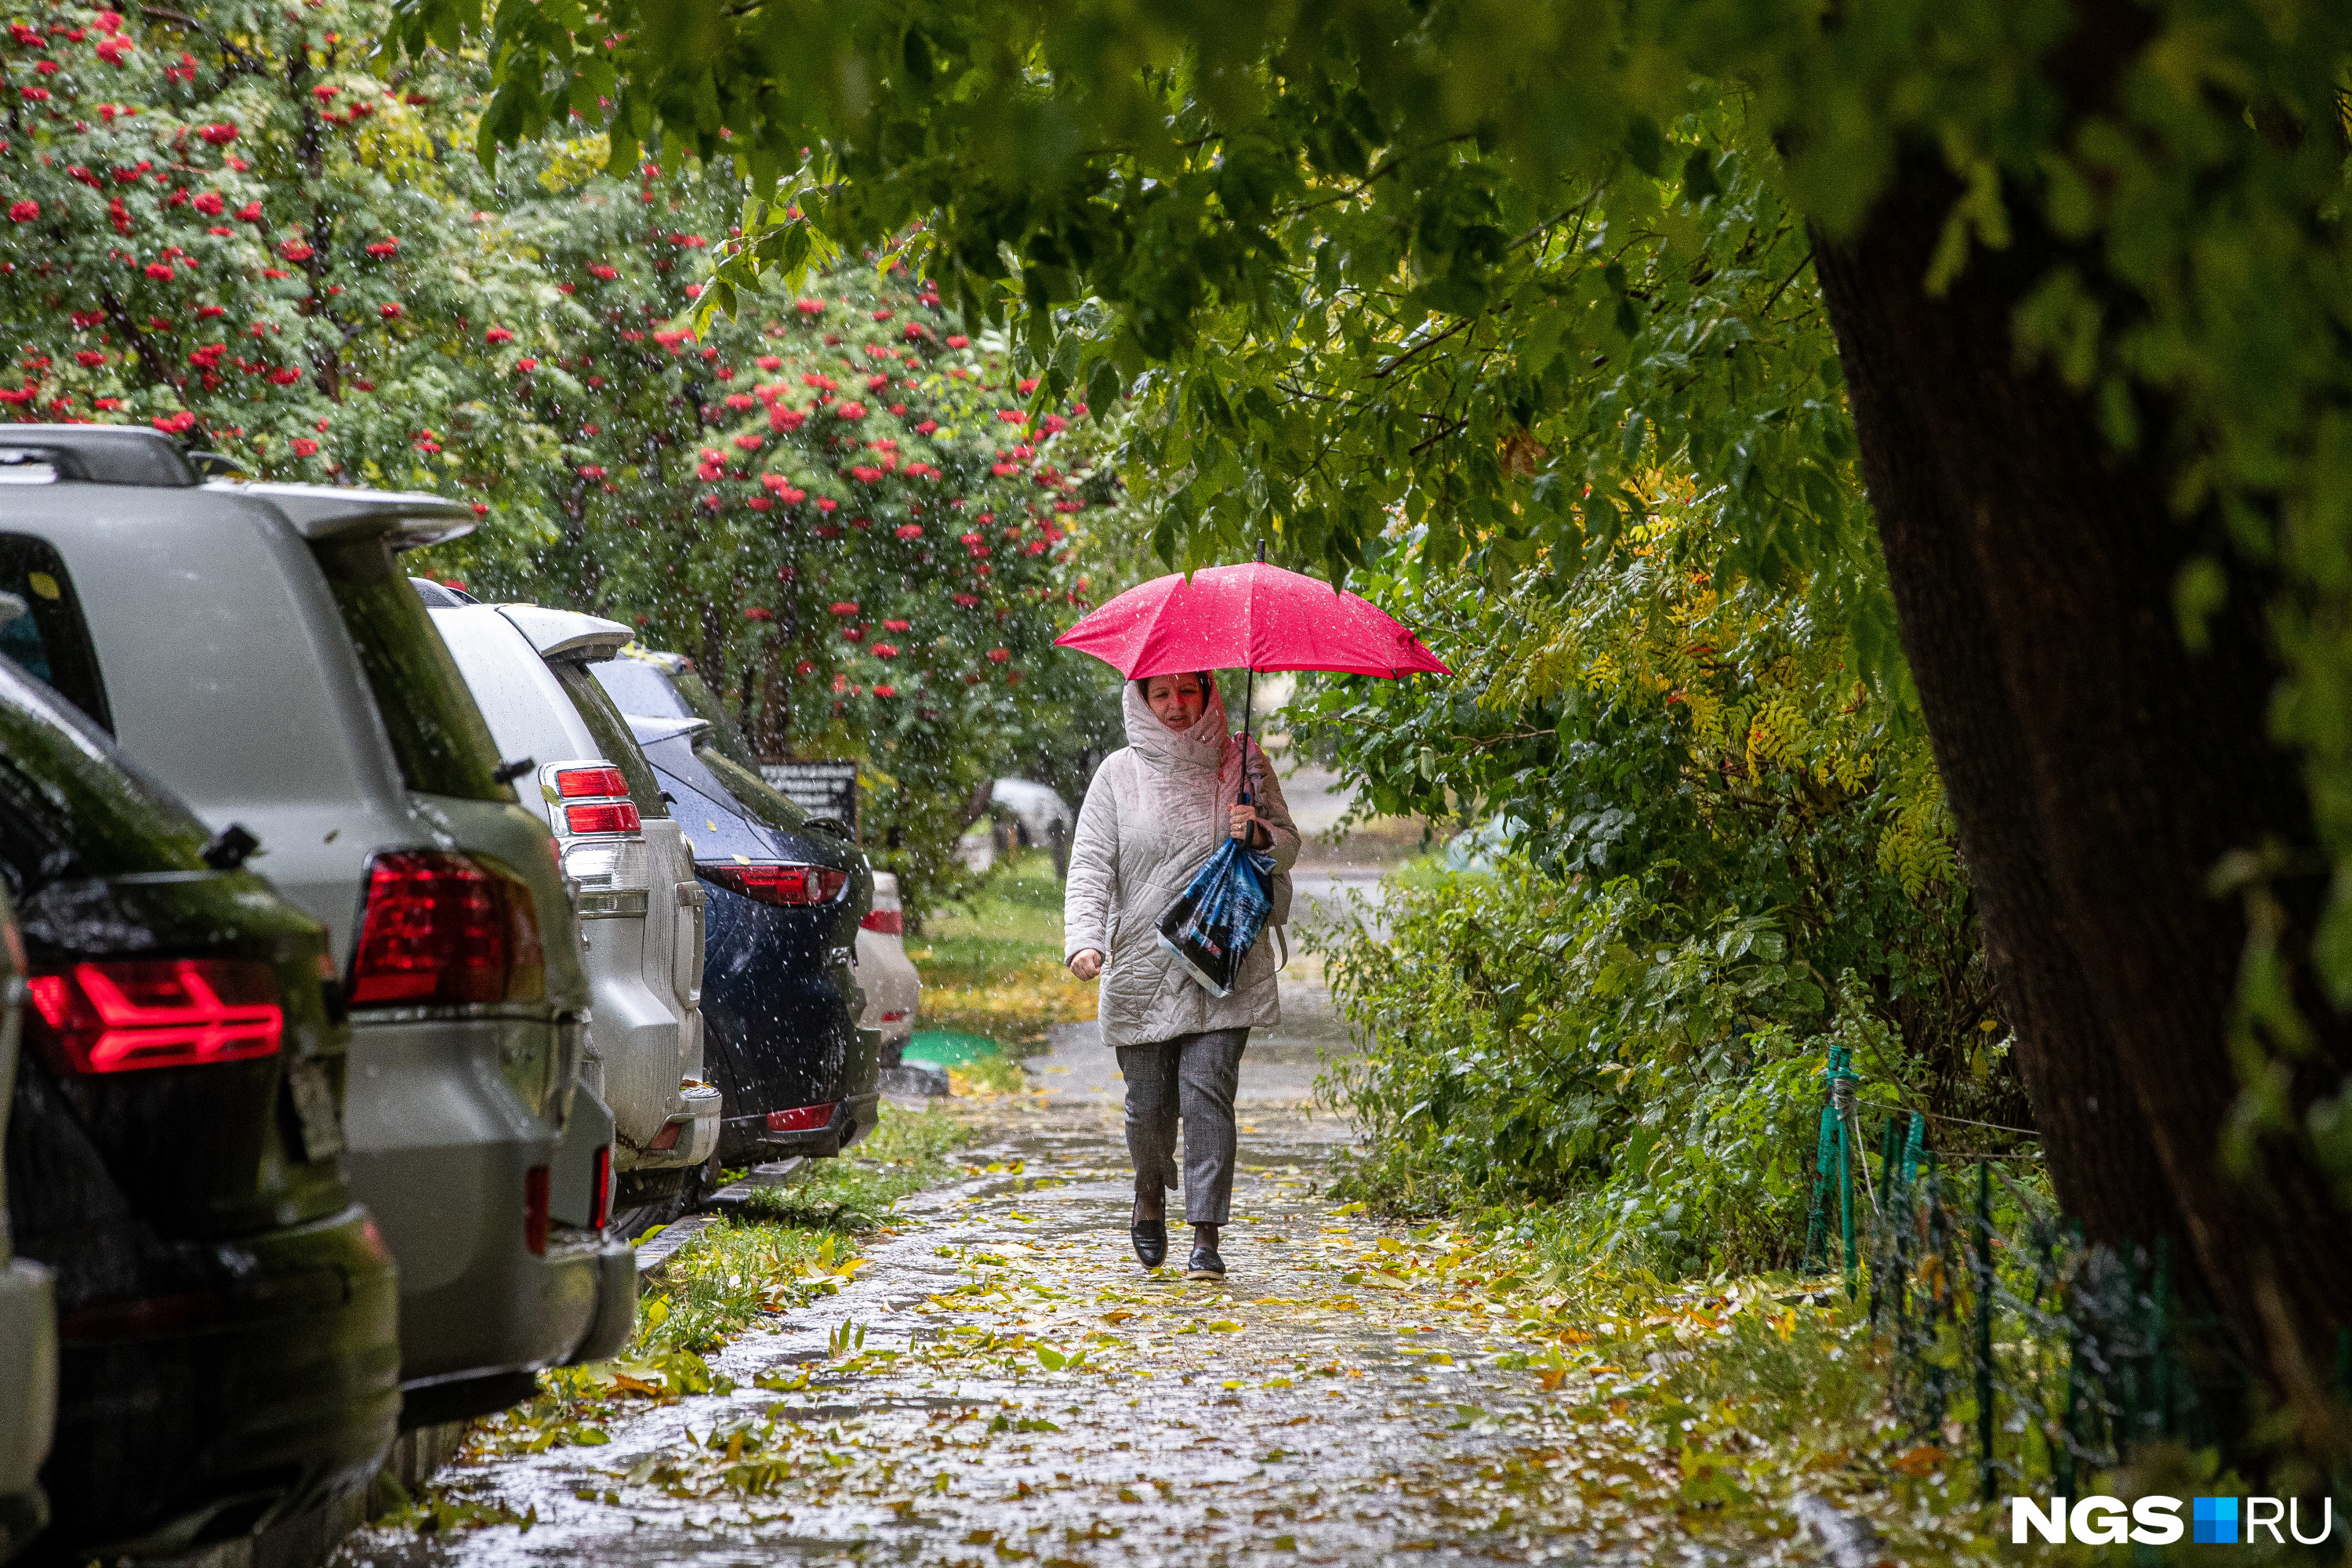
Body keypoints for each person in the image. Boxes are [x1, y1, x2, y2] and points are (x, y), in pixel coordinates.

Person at [1063, 670, 1298, 1279]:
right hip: (1142, 963)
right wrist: (1084, 942)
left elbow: (1289, 844)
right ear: (1141, 700)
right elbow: (1090, 866)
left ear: (1208, 693)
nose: (1174, 706)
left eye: (1186, 692)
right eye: (1160, 694)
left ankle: (1205, 1236)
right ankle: (1148, 1189)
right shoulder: (1117, 774)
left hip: (1224, 961)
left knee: (1208, 1093)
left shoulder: (1243, 761)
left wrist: (1260, 832)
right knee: (1148, 1106)